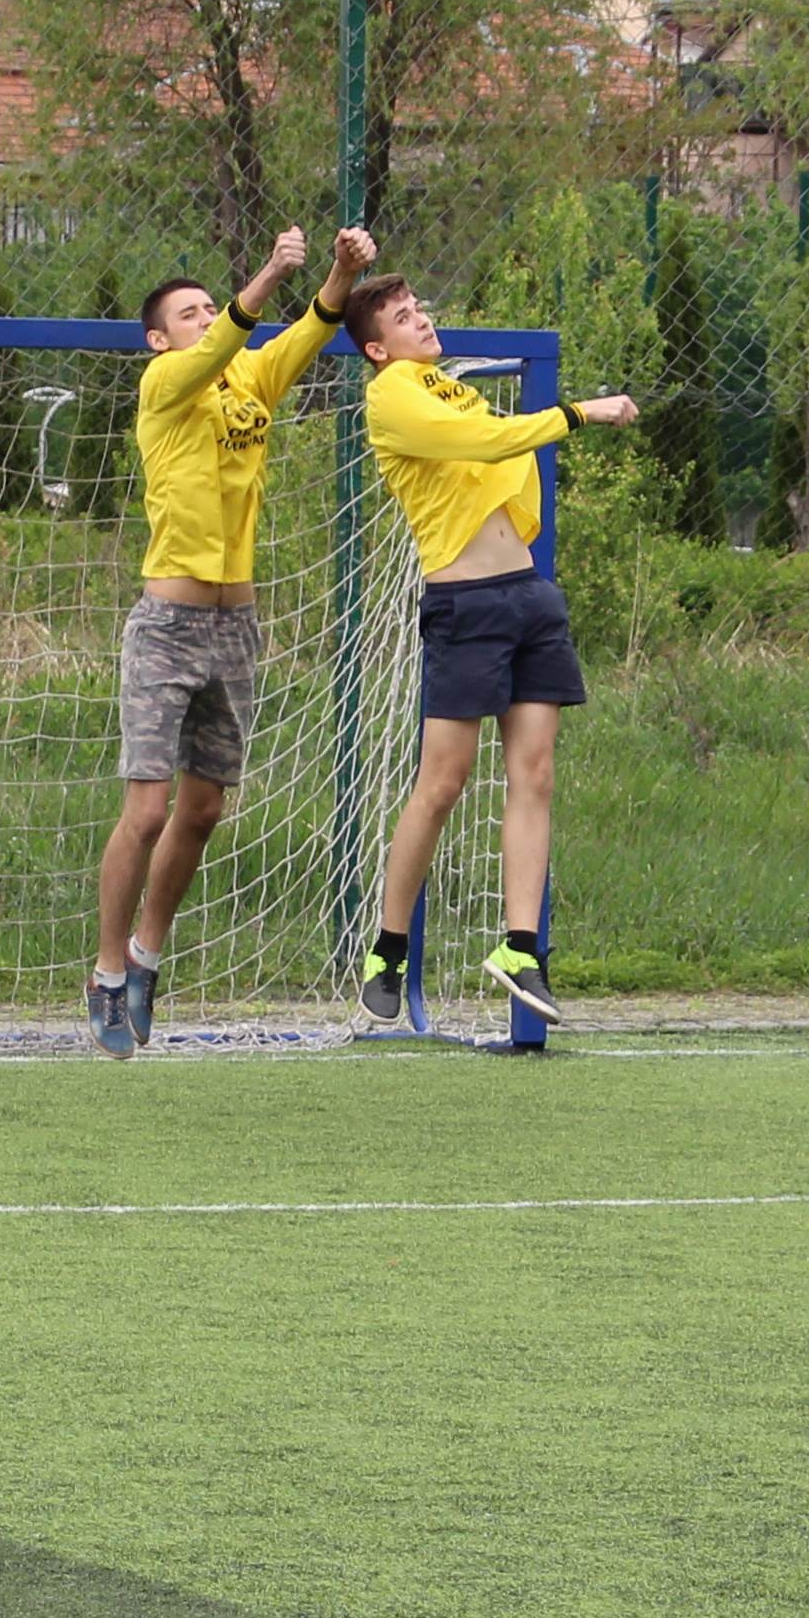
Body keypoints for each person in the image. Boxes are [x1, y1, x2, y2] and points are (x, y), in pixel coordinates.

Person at [89, 225, 360, 1054]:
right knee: (147, 812)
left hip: (235, 625)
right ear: (157, 338)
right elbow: (225, 342)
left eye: (211, 306)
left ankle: (147, 955)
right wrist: (271, 271)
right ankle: (105, 973)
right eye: (189, 312)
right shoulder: (164, 383)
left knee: (204, 809)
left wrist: (342, 271)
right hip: (166, 628)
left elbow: (312, 327)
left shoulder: (248, 377)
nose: (206, 318)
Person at [342, 277, 636, 1035]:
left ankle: (520, 947)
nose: (421, 321)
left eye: (419, 309)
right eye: (402, 318)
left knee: (535, 774)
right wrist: (579, 413)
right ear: (377, 349)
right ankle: (388, 950)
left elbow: (500, 461)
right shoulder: (391, 396)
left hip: (528, 595)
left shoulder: (453, 388)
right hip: (465, 605)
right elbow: (488, 444)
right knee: (443, 782)